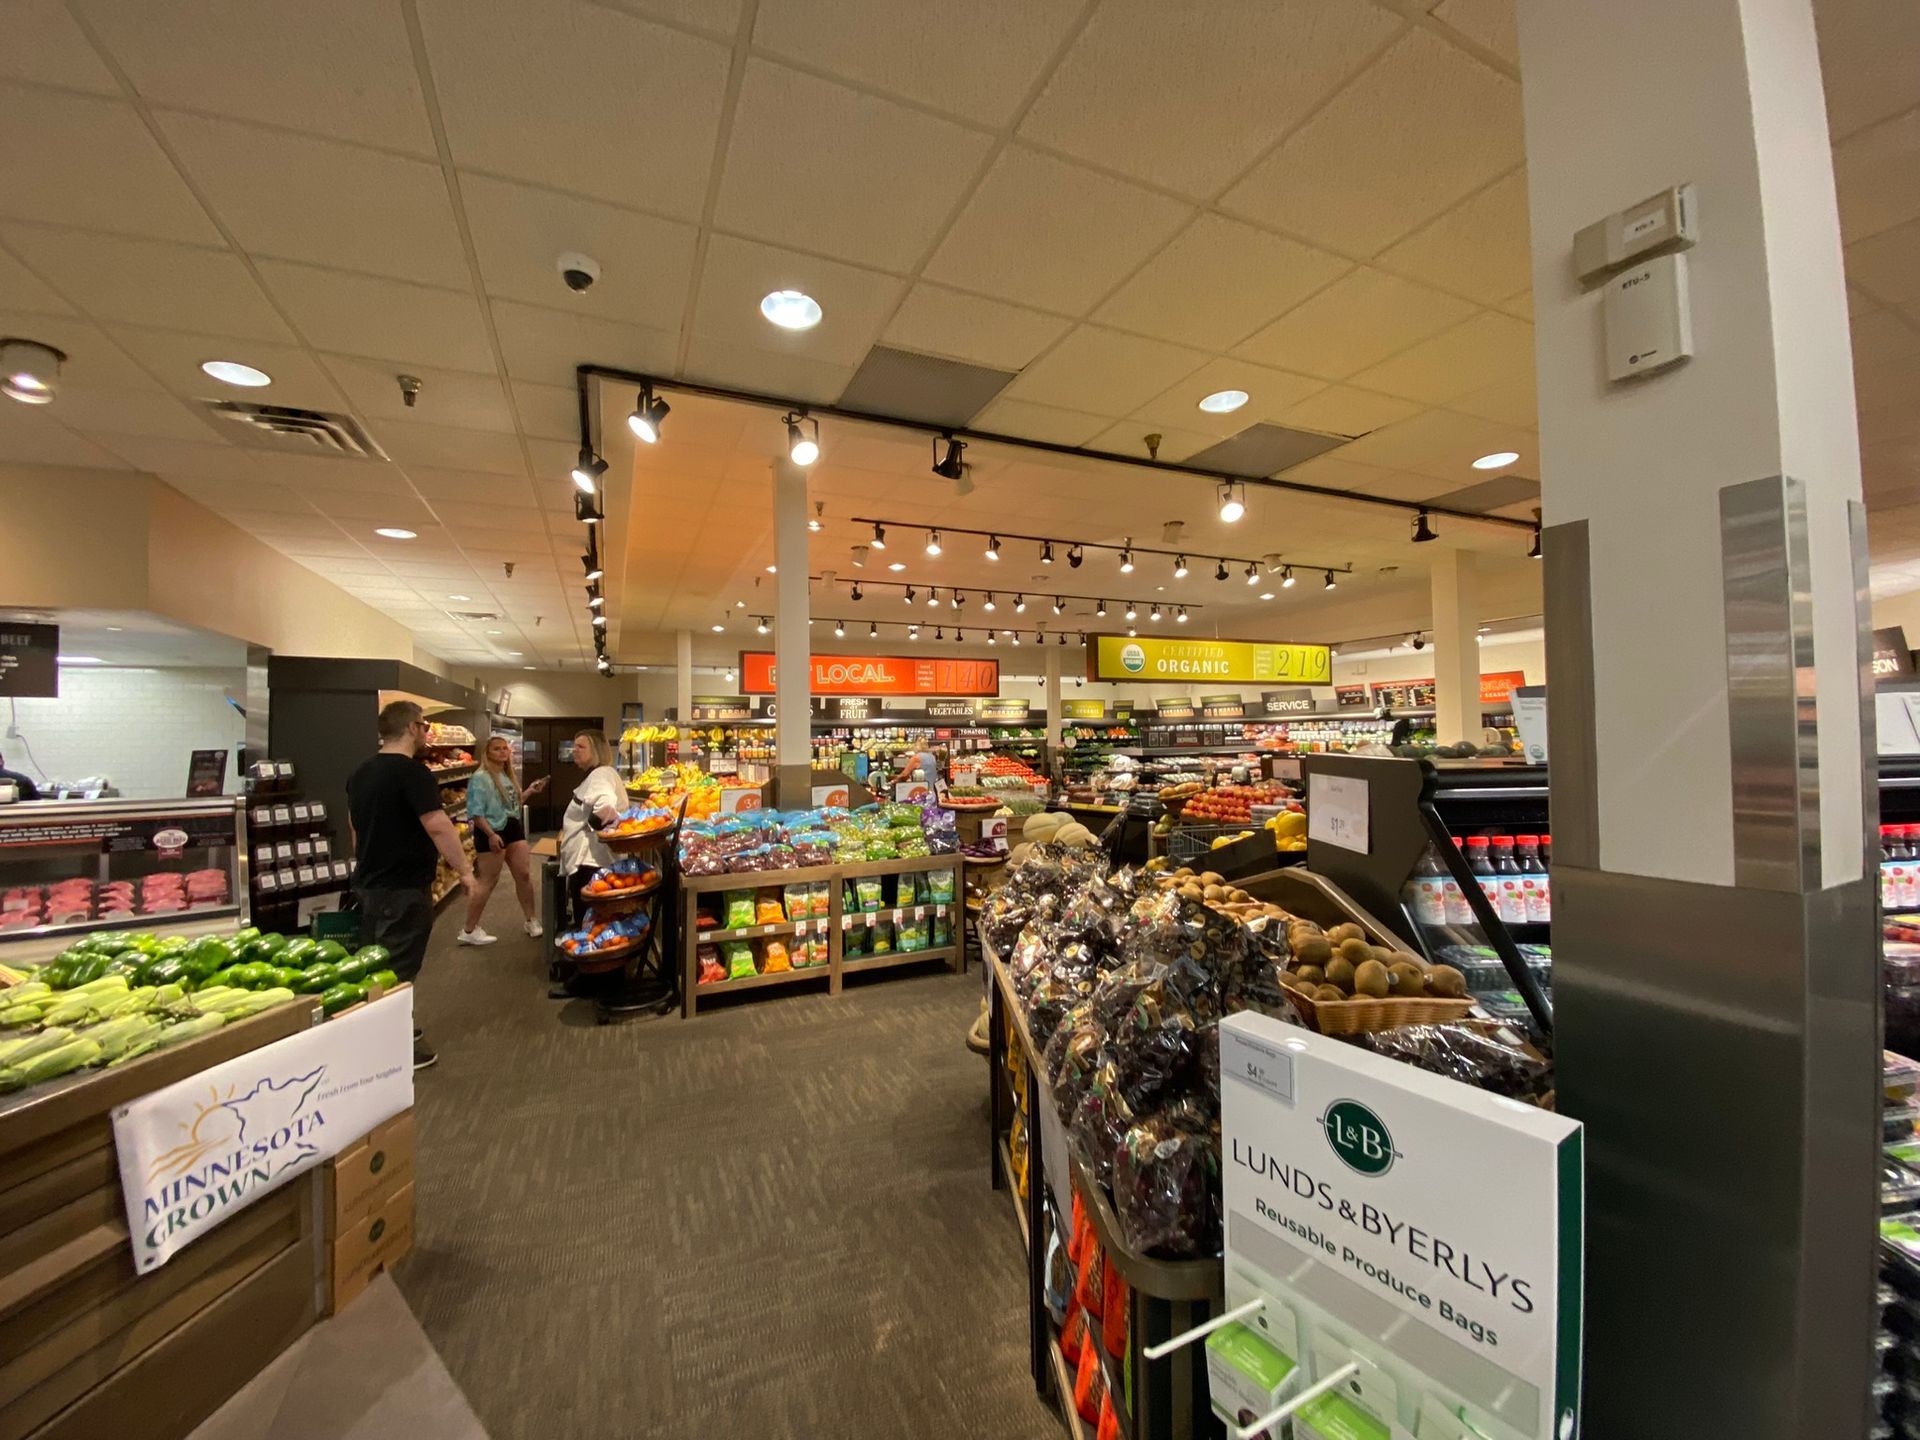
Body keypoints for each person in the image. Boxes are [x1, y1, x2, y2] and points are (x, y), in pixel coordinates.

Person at [346, 700, 479, 1071]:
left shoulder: (360, 773)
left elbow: (354, 826)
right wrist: (465, 871)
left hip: (370, 884)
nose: (426, 733)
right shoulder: (413, 774)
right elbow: (438, 824)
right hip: (403, 886)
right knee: (399, 967)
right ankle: (391, 1046)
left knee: (376, 959)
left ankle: (384, 1029)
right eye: (424, 726)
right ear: (411, 728)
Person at [457, 736, 547, 946]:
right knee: (488, 881)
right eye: (497, 749)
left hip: (512, 827)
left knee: (524, 875)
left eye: (505, 748)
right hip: (491, 830)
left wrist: (529, 792)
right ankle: (469, 929)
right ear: (487, 753)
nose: (502, 752)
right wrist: (490, 835)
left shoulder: (507, 776)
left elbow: (511, 805)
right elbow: (476, 813)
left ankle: (531, 920)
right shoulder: (480, 778)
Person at [558, 728, 627, 924]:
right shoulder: (597, 774)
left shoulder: (600, 774)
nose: (574, 750)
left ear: (596, 750)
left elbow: (606, 804)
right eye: (574, 746)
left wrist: (594, 825)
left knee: (590, 921)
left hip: (591, 863)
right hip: (592, 861)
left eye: (581, 746)